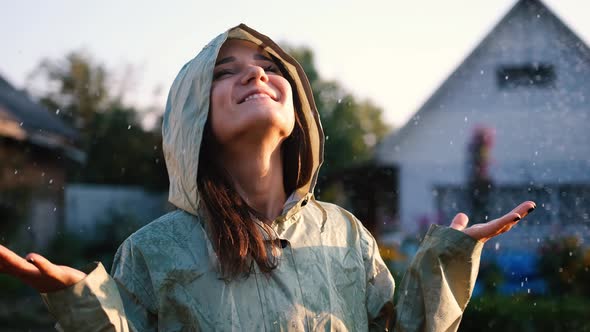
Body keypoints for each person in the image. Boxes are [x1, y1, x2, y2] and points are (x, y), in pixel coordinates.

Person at [0, 24, 535, 331]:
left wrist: (444, 260)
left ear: (297, 106)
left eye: (269, 66)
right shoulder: (152, 251)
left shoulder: (345, 235)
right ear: (192, 120)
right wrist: (82, 302)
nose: (255, 73)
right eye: (225, 72)